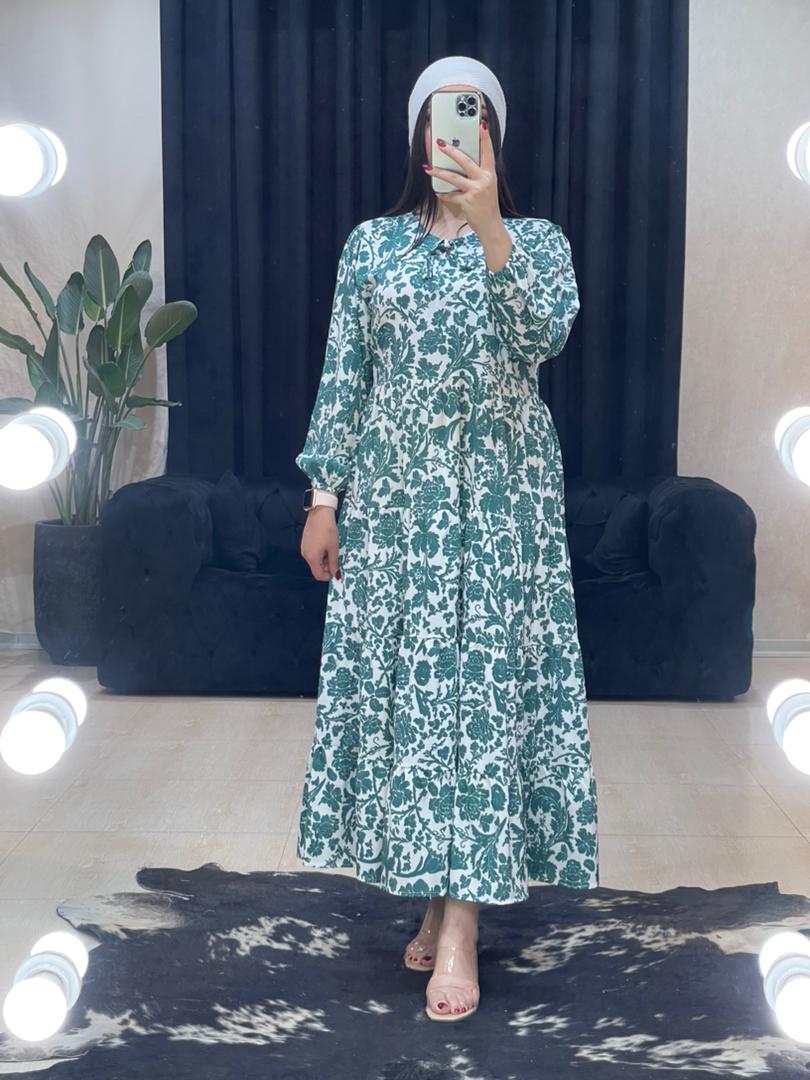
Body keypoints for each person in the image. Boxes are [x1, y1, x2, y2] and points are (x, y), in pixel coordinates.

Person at [294, 55, 599, 1023]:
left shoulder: (535, 243)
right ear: (418, 136)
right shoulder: (371, 247)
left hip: (502, 508)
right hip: (397, 512)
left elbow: (542, 335)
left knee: (480, 700)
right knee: (420, 711)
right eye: (439, 121)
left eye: (470, 121)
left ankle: (461, 928)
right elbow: (346, 372)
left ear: (493, 138)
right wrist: (324, 496)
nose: (454, 137)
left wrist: (491, 225)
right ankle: (434, 892)